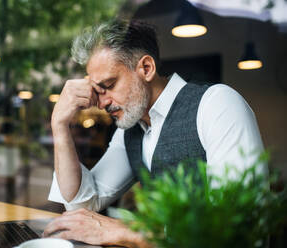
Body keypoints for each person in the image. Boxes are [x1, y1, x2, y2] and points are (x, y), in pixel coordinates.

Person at [43, 20, 265, 247]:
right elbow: (81, 207)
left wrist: (125, 230)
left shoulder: (217, 104)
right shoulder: (130, 130)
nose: (101, 103)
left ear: (146, 68)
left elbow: (236, 225)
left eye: (109, 85)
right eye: (97, 91)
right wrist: (59, 125)